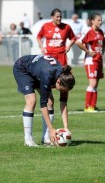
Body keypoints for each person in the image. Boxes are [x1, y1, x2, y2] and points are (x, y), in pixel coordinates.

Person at [13, 54, 76, 146]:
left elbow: (63, 104)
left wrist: (66, 127)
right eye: (62, 90)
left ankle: (46, 138)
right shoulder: (47, 76)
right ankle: (28, 139)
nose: (62, 92)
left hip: (38, 71)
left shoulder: (65, 78)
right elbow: (43, 105)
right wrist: (51, 129)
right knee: (32, 100)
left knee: (50, 102)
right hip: (22, 68)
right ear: (58, 82)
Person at [37, 8, 76, 144]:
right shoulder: (45, 26)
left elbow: (74, 38)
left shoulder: (67, 27)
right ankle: (47, 134)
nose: (59, 19)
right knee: (49, 100)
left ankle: (65, 127)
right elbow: (38, 36)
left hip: (62, 64)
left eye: (60, 17)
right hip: (49, 64)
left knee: (64, 97)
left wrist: (69, 46)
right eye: (57, 17)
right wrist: (42, 47)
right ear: (52, 17)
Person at [75, 13, 105, 112]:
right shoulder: (88, 31)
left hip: (98, 60)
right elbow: (78, 42)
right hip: (91, 60)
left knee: (96, 84)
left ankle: (93, 105)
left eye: (101, 20)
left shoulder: (101, 32)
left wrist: (102, 53)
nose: (100, 22)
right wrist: (88, 51)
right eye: (98, 20)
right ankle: (87, 106)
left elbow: (103, 43)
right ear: (92, 21)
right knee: (92, 83)